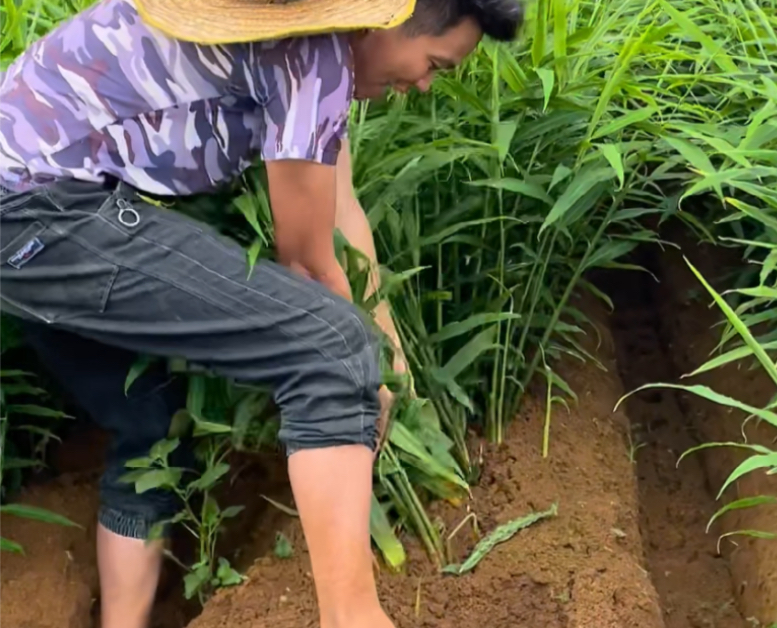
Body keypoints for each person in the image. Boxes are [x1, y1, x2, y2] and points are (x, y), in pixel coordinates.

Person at [0, 0, 522, 626]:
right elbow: (305, 262)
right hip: (43, 213)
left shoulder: (310, 52)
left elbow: (342, 213)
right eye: (432, 64)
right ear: (383, 24)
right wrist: (358, 371)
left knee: (150, 424)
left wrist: (392, 356)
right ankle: (353, 619)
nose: (423, 85)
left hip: (31, 210)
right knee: (328, 345)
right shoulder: (315, 55)